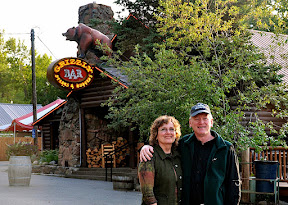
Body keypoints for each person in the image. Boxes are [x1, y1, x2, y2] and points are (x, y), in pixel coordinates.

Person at [140, 103, 241, 205]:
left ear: (211, 122)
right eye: (196, 118)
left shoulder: (226, 149)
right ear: (190, 123)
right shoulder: (183, 145)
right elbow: (164, 145)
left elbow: (234, 184)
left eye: (205, 118)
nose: (201, 122)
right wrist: (147, 147)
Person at [138, 115, 183, 205]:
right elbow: (148, 195)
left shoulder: (178, 155)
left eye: (171, 129)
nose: (168, 132)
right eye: (163, 129)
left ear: (176, 133)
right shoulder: (149, 156)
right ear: (156, 135)